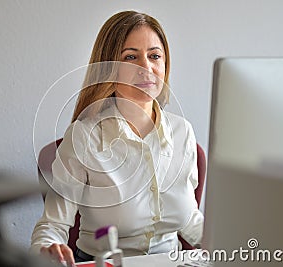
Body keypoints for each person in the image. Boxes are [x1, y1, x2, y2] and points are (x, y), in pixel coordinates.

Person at [31, 10, 204, 266]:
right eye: (130, 57)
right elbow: (52, 225)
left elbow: (189, 218)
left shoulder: (183, 132)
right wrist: (47, 251)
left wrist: (233, 244)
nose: (146, 67)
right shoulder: (85, 135)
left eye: (154, 56)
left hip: (172, 261)